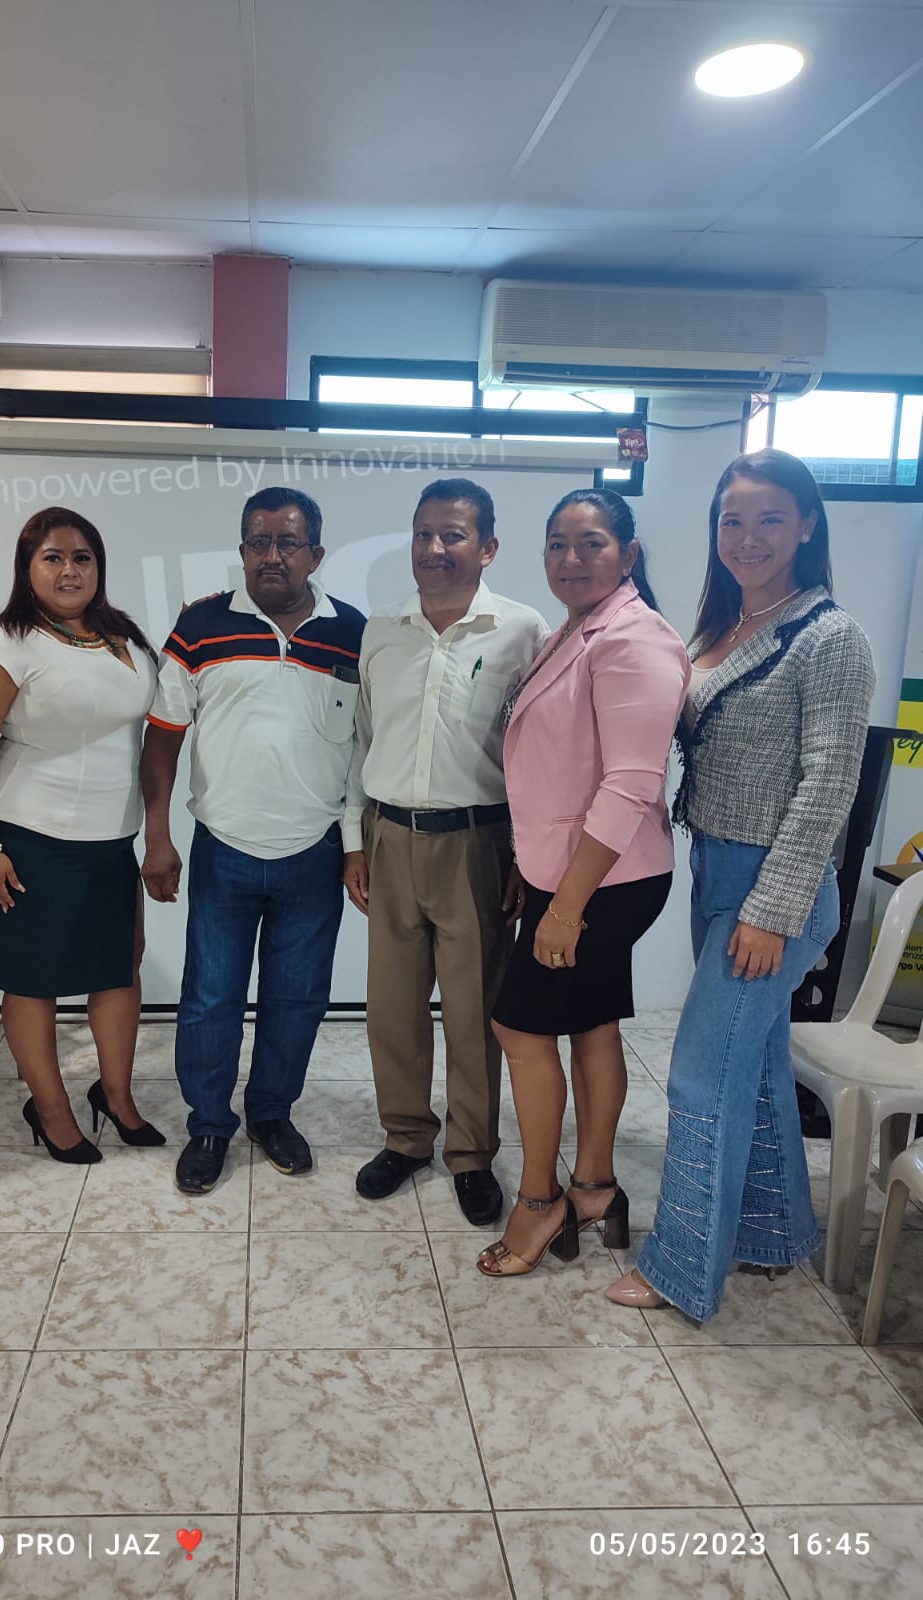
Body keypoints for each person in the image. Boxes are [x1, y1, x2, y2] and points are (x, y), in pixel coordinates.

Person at [609, 448, 875, 1320]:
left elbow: (829, 785)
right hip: (714, 870)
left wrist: (772, 910)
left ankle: (681, 1268)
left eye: (769, 519)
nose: (748, 537)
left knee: (699, 1078)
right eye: (732, 520)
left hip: (773, 891)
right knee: (752, 1065)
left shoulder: (830, 636)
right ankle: (772, 1231)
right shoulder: (721, 626)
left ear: (807, 525)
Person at [473, 489, 689, 1278]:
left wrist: (564, 909)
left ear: (627, 554)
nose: (571, 558)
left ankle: (541, 1201)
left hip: (601, 882)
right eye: (557, 544)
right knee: (593, 1025)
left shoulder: (633, 637)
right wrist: (536, 873)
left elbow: (631, 783)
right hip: (571, 870)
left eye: (591, 543)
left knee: (519, 1030)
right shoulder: (575, 629)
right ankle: (595, 1188)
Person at [141, 487, 366, 1194]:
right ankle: (209, 1123)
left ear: (315, 554)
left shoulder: (353, 634)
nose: (273, 556)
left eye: (288, 542)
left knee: (297, 999)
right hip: (225, 849)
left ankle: (271, 1114)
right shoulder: (201, 625)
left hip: (314, 852)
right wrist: (158, 837)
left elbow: (362, 752)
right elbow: (162, 739)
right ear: (241, 552)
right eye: (258, 542)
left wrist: (354, 847)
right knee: (210, 998)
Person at [343, 478, 548, 1226]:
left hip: (479, 842)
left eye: (453, 535)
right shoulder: (382, 630)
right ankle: (405, 1138)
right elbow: (361, 740)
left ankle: (471, 1153)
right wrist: (353, 841)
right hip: (389, 837)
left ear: (487, 547)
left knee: (475, 1011)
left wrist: (525, 855)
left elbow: (539, 756)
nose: (434, 548)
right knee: (392, 1010)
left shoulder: (524, 632)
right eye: (423, 533)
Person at [0, 506, 163, 1164]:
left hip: (112, 840)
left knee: (118, 970)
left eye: (82, 557)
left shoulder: (121, 635)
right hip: (30, 842)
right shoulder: (3, 646)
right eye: (53, 557)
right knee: (32, 980)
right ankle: (50, 1110)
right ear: (27, 567)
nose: (69, 570)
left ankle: (116, 1096)